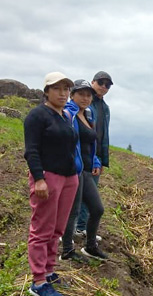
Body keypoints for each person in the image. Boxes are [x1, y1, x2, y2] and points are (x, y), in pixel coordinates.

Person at [23, 72, 79, 296]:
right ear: (46, 91)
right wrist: (39, 179)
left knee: (57, 228)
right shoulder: (37, 116)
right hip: (48, 177)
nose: (63, 93)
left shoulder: (65, 116)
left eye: (66, 89)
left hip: (68, 178)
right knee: (42, 229)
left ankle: (49, 270)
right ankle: (38, 281)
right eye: (57, 89)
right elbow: (32, 150)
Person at [59, 79, 108, 263]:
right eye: (81, 94)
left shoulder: (88, 115)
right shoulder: (68, 114)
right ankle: (67, 250)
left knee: (97, 209)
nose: (86, 98)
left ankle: (90, 246)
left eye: (88, 95)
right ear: (72, 95)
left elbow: (90, 143)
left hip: (87, 170)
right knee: (73, 211)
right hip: (74, 171)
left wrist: (95, 160)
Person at [76, 71, 112, 241]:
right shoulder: (83, 105)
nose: (104, 87)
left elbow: (103, 135)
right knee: (76, 194)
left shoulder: (105, 108)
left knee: (90, 196)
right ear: (93, 82)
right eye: (101, 82)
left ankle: (82, 228)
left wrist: (102, 160)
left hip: (94, 157)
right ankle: (71, 230)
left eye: (108, 84)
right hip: (79, 156)